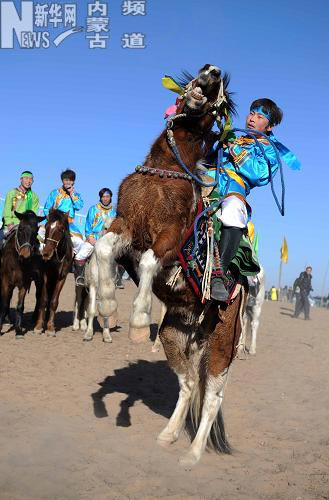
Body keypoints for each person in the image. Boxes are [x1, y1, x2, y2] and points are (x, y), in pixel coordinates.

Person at [209, 98, 300, 301]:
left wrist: (235, 150)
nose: (252, 119)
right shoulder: (234, 136)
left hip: (232, 188)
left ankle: (219, 274)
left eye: (260, 116)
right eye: (251, 113)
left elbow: (260, 174)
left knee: (234, 210)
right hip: (207, 177)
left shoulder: (269, 148)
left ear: (270, 126)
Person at [43, 169, 92, 284]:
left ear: (73, 182)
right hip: (54, 223)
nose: (67, 182)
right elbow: (46, 208)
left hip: (69, 225)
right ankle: (39, 262)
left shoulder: (76, 195)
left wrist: (72, 194)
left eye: (70, 180)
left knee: (80, 243)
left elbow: (79, 206)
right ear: (62, 180)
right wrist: (51, 220)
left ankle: (77, 270)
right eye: (66, 180)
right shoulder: (54, 193)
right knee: (38, 236)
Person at [85, 188, 124, 288]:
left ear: (110, 198)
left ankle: (118, 278)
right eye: (103, 197)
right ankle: (80, 276)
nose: (105, 199)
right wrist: (90, 238)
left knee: (123, 254)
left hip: (109, 241)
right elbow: (88, 226)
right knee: (81, 253)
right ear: (100, 198)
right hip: (94, 238)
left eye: (107, 196)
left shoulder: (115, 212)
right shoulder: (93, 209)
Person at [2, 170, 39, 236]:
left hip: (27, 226)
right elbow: (7, 210)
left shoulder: (34, 196)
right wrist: (9, 224)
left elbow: (33, 213)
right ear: (21, 179)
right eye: (26, 178)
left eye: (31, 179)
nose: (28, 181)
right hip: (12, 224)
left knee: (39, 243)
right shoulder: (12, 193)